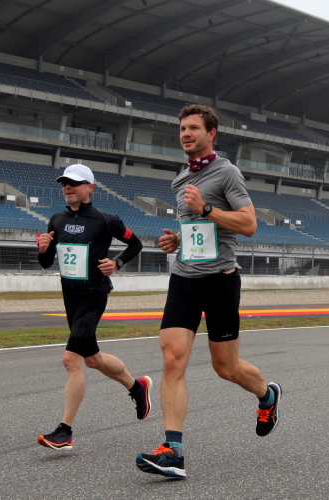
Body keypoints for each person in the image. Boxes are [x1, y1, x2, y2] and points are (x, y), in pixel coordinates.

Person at [135, 105, 282, 479]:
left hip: (219, 281)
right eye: (182, 129)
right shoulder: (181, 178)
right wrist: (176, 240)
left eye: (193, 128)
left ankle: (267, 396)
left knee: (226, 368)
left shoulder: (227, 172)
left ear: (211, 133)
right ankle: (173, 451)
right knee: (172, 359)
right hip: (183, 279)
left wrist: (206, 208)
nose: (185, 134)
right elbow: (195, 229)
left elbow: (248, 224)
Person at [36, 163, 151, 451]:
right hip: (70, 297)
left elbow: (135, 244)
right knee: (93, 359)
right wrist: (43, 249)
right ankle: (137, 387)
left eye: (74, 182)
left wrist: (117, 263)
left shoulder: (106, 220)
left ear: (90, 188)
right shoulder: (56, 220)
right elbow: (46, 262)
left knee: (71, 360)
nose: (67, 187)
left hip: (93, 296)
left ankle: (64, 431)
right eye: (64, 182)